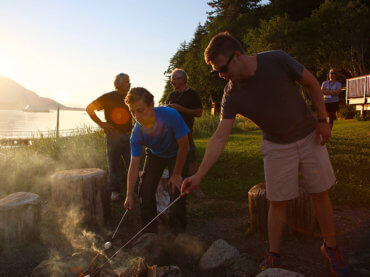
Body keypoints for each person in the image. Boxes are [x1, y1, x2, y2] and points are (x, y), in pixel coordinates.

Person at [180, 32, 349, 277]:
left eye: (222, 68)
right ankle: (274, 255)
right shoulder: (232, 94)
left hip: (309, 136)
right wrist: (199, 175)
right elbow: (219, 136)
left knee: (319, 193)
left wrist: (323, 119)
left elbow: (312, 83)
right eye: (216, 71)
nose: (221, 75)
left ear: (237, 56)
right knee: (277, 201)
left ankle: (331, 248)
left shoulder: (277, 60)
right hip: (276, 145)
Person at [124, 87, 189, 234]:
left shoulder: (170, 115)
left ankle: (178, 235)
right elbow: (134, 166)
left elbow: (184, 145)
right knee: (145, 191)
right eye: (132, 112)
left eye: (140, 110)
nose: (136, 116)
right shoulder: (137, 133)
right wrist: (129, 195)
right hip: (155, 155)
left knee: (176, 189)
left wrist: (177, 174)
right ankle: (149, 234)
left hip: (176, 153)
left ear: (152, 105)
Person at [86, 73, 133, 202]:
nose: (130, 84)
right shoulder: (108, 97)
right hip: (113, 136)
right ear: (118, 84)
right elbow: (89, 108)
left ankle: (135, 191)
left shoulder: (132, 97)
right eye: (127, 82)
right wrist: (102, 124)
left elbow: (139, 113)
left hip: (129, 137)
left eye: (129, 81)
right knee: (113, 166)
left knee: (133, 165)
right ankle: (115, 191)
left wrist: (134, 128)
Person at [166, 68, 205, 198]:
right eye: (171, 80)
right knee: (173, 157)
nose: (172, 83)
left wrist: (180, 108)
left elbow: (199, 112)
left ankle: (197, 187)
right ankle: (175, 184)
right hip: (171, 132)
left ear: (183, 79)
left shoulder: (192, 94)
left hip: (186, 131)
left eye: (174, 79)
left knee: (191, 159)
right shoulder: (172, 95)